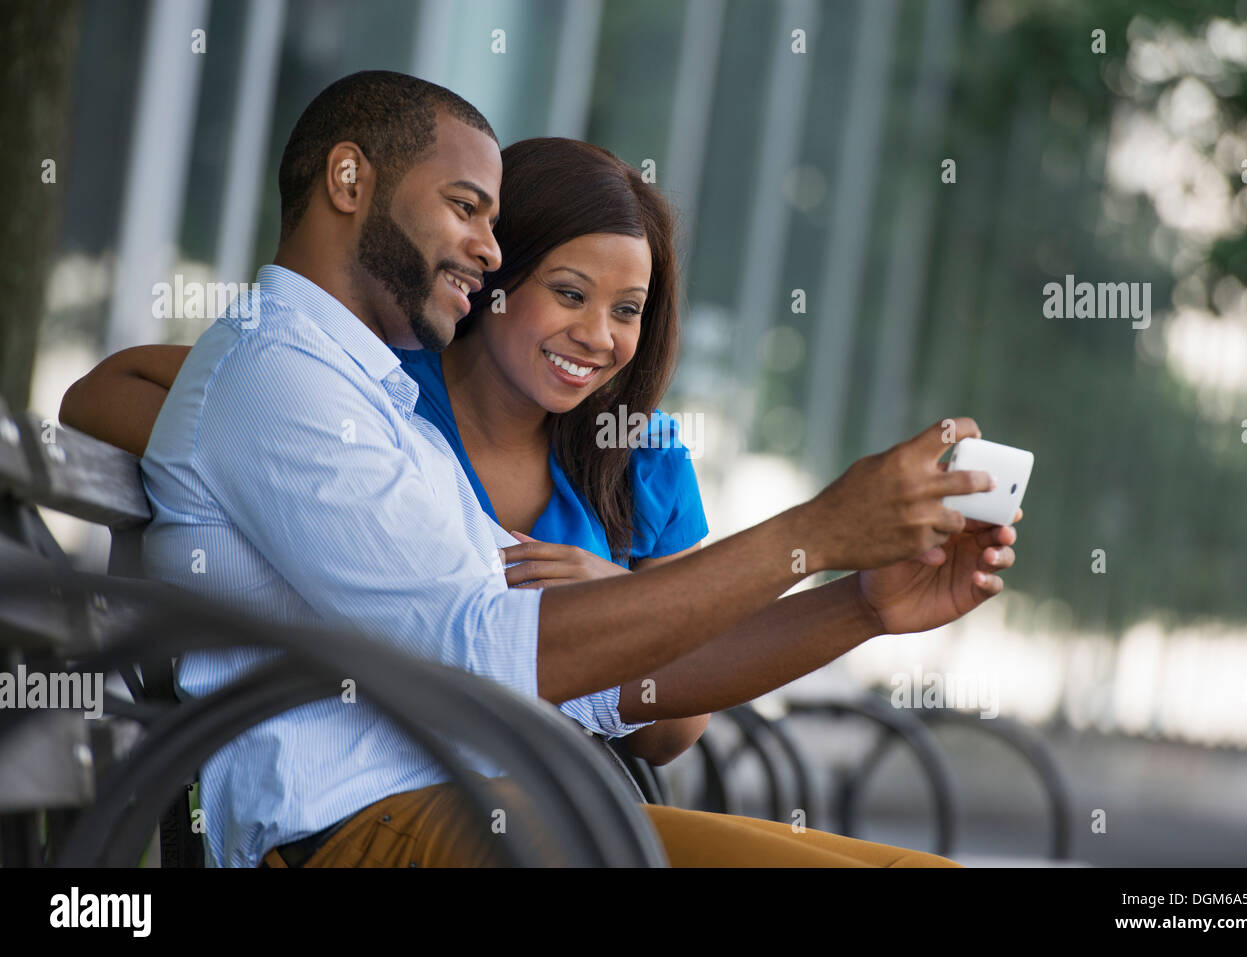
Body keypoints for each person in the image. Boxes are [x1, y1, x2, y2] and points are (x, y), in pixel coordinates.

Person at [61, 71, 1018, 868]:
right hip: (367, 829)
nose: (486, 248)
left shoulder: (383, 415)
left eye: (493, 222)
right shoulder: (280, 380)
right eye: (467, 210)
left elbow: (609, 688)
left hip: (502, 810)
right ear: (348, 180)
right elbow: (491, 647)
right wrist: (815, 529)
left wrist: (860, 603)